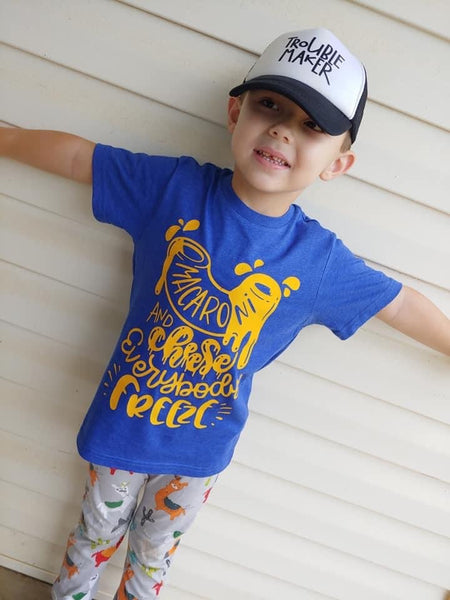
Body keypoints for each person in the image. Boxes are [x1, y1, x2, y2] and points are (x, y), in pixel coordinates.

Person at [1, 27, 449, 600]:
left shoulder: (319, 261)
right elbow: (78, 157)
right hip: (125, 424)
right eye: (270, 106)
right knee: (93, 537)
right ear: (236, 112)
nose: (283, 130)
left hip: (200, 451)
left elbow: (401, 304)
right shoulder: (173, 189)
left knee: (152, 560)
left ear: (338, 164)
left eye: (312, 126)